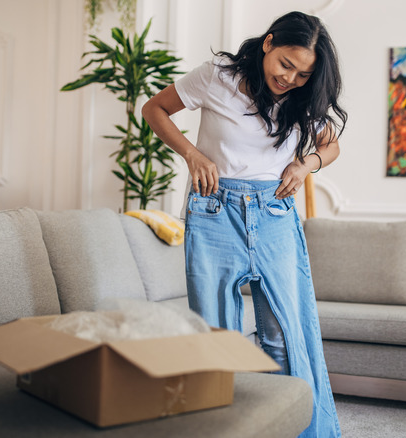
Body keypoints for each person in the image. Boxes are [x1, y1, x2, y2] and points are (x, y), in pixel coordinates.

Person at [142, 11, 347, 438]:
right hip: (215, 210)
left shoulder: (303, 97)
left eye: (303, 73)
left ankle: (294, 430)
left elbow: (330, 146)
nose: (290, 78)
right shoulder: (218, 76)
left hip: (275, 210)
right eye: (285, 64)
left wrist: (306, 164)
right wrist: (192, 155)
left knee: (284, 334)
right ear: (268, 43)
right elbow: (155, 109)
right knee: (219, 339)